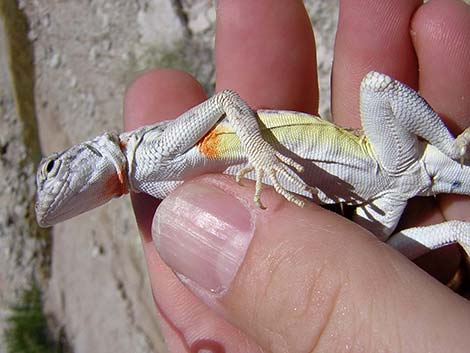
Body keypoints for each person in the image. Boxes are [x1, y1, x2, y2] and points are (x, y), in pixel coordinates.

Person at [123, 0, 470, 351]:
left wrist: (446, 145)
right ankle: (458, 223)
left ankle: (451, 146)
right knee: (370, 255)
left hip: (389, 155)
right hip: (377, 204)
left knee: (376, 86)